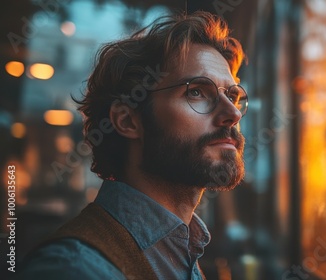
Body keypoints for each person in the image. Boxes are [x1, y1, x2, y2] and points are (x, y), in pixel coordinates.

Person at [18, 11, 248, 280]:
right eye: (196, 92)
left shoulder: (186, 250)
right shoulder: (74, 268)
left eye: (232, 95)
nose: (233, 113)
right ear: (127, 121)